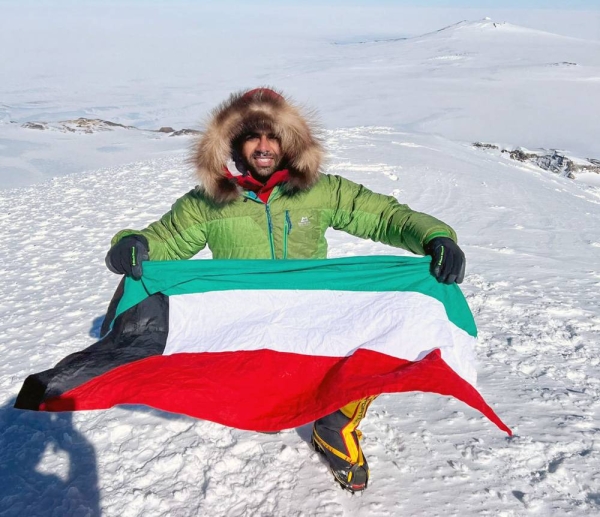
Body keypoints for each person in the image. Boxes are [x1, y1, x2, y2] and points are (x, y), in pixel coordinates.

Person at [105, 87, 466, 492]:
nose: (264, 146)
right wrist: (132, 244)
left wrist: (435, 237)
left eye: (273, 136)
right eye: (252, 136)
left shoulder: (320, 191)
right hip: (247, 322)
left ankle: (333, 425)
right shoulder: (209, 202)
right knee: (260, 390)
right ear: (234, 143)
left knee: (383, 334)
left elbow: (386, 217)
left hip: (313, 314)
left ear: (289, 141)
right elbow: (164, 241)